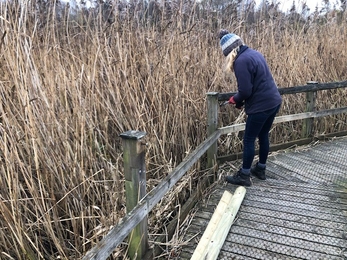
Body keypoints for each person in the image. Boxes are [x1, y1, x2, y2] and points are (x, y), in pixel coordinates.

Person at [219, 29, 282, 187]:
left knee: (248, 139)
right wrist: (240, 102)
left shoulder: (241, 61)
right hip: (273, 101)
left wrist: (236, 99)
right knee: (263, 136)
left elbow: (246, 90)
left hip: (261, 106)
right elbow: (256, 85)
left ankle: (244, 175)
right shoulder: (254, 53)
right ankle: (260, 169)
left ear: (230, 52)